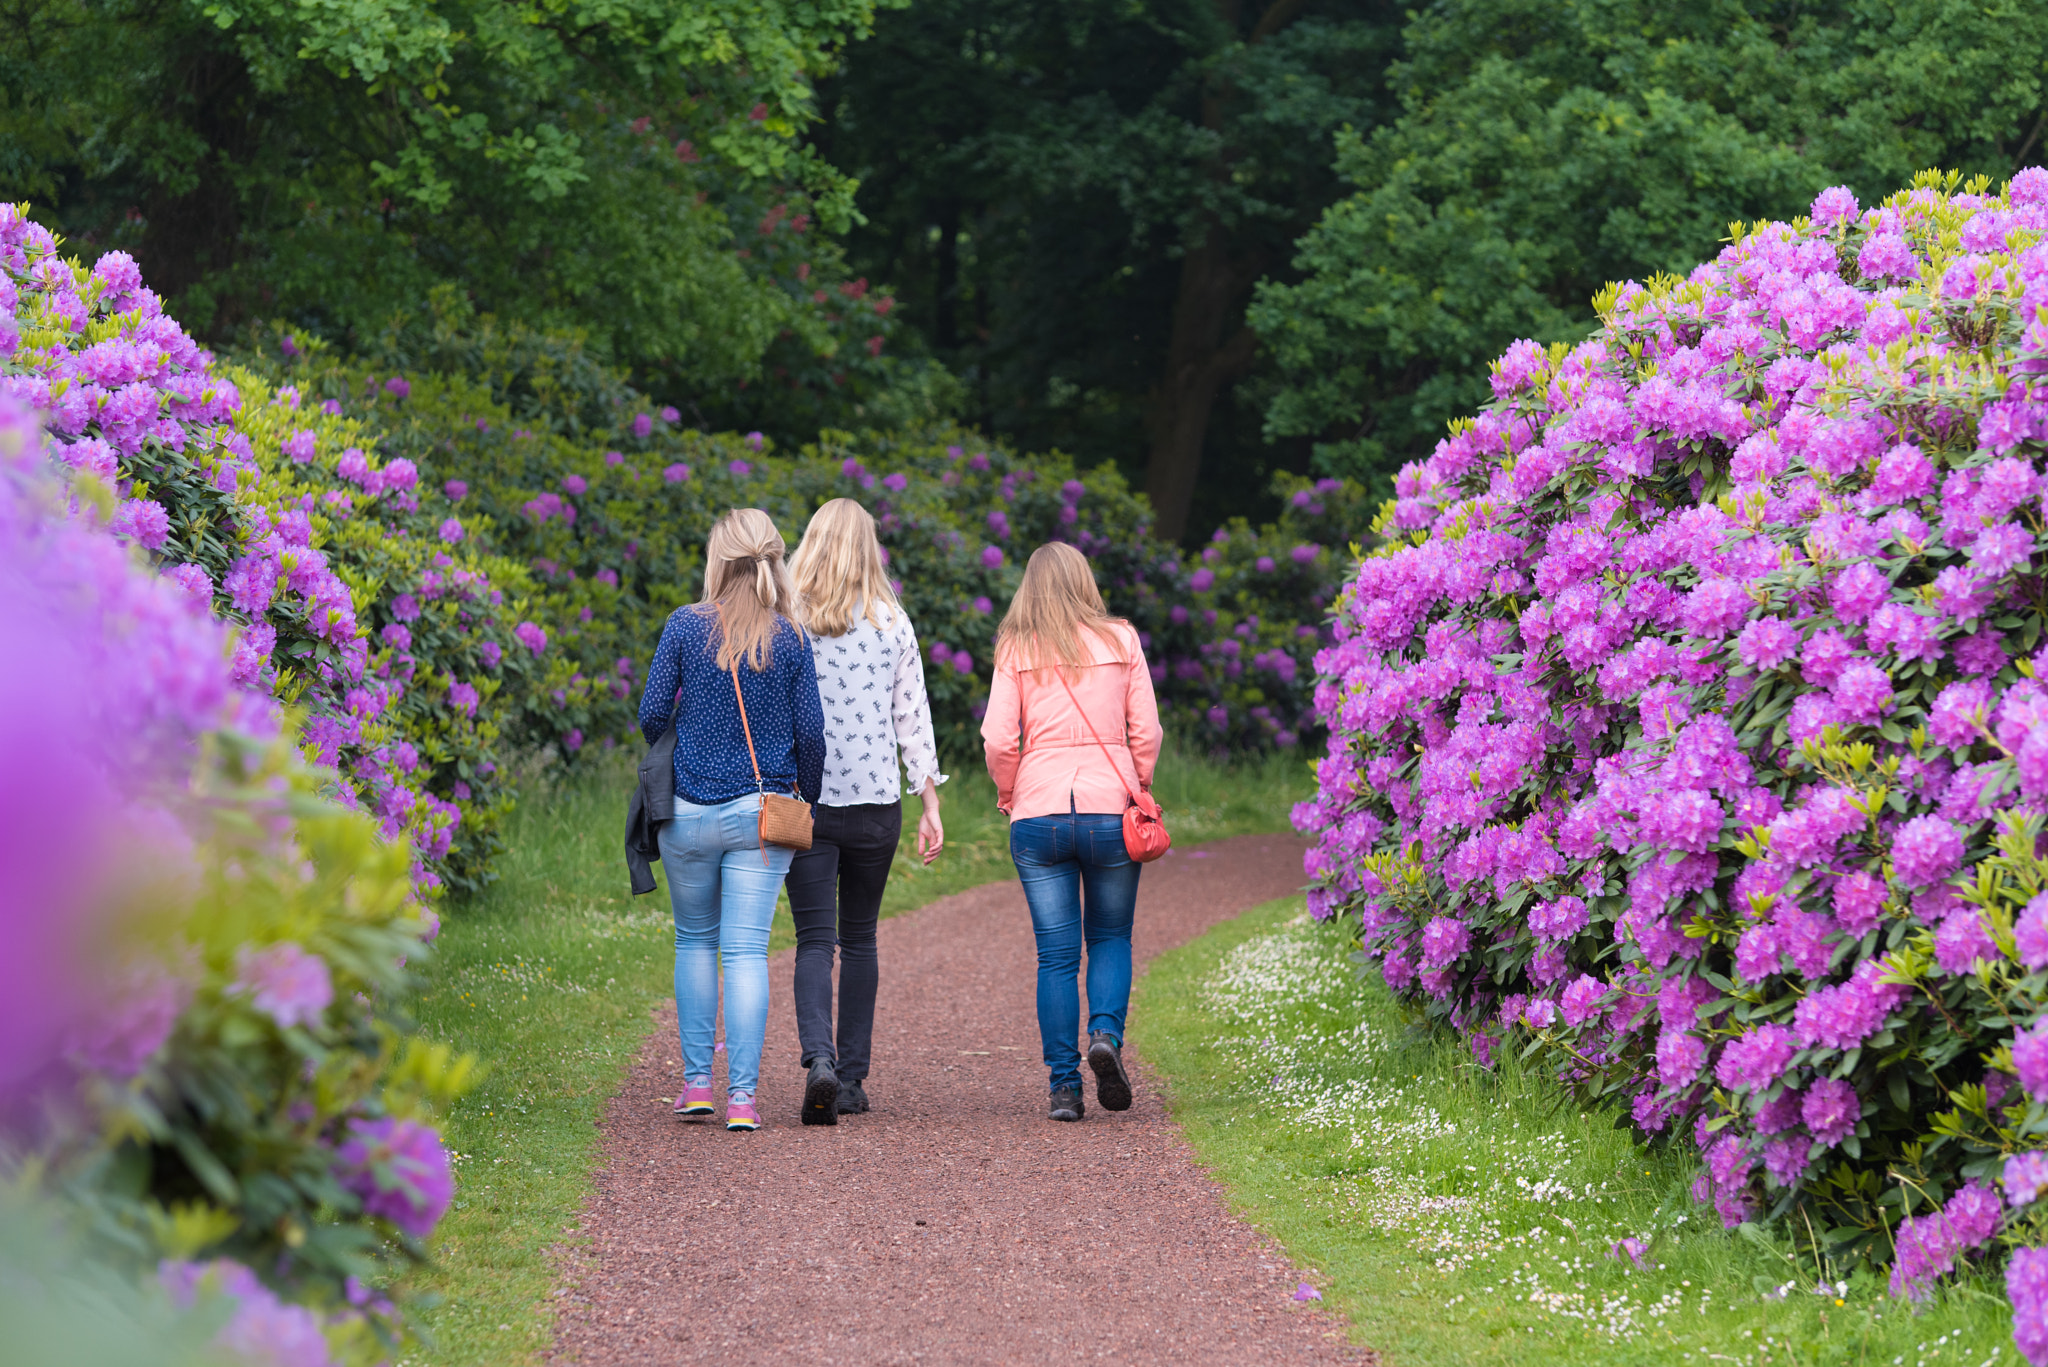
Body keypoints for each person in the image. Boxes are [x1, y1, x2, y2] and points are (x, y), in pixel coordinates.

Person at [637, 508, 825, 1132]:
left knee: (694, 941)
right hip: (760, 816)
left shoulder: (685, 628)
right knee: (746, 952)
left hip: (686, 812)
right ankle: (742, 1099)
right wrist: (809, 798)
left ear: (719, 558)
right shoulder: (793, 638)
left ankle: (696, 1086)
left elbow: (650, 714)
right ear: (774, 560)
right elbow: (812, 737)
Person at [981, 542, 1160, 1122]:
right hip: (1112, 811)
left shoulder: (1015, 646)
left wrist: (1009, 792)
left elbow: (999, 740)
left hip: (1039, 811)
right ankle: (1104, 1034)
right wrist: (1140, 785)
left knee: (1054, 958)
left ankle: (1063, 1087)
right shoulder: (1122, 639)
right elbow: (1147, 731)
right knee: (1110, 936)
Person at [784, 498, 947, 1124]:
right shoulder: (891, 621)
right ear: (867, 549)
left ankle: (818, 1060)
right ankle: (850, 1081)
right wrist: (929, 801)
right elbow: (913, 718)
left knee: (813, 940)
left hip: (806, 802)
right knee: (859, 939)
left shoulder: (789, 619)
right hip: (877, 804)